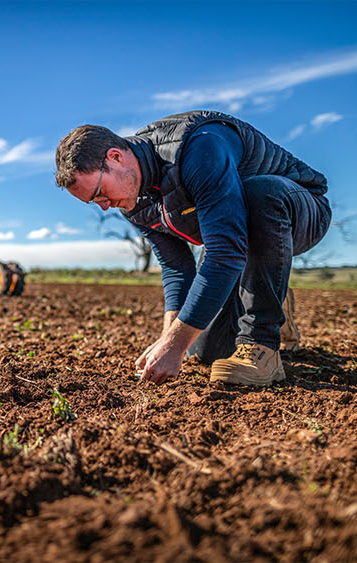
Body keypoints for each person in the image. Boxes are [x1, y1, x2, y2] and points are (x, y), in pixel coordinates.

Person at [54, 110, 331, 386]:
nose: (103, 205)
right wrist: (170, 338)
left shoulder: (197, 147)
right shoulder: (133, 200)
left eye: (99, 193)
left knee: (259, 195)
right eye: (94, 202)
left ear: (115, 157)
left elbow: (225, 252)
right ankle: (271, 291)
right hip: (232, 238)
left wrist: (175, 344)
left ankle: (262, 346)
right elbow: (176, 267)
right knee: (208, 350)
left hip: (299, 208)